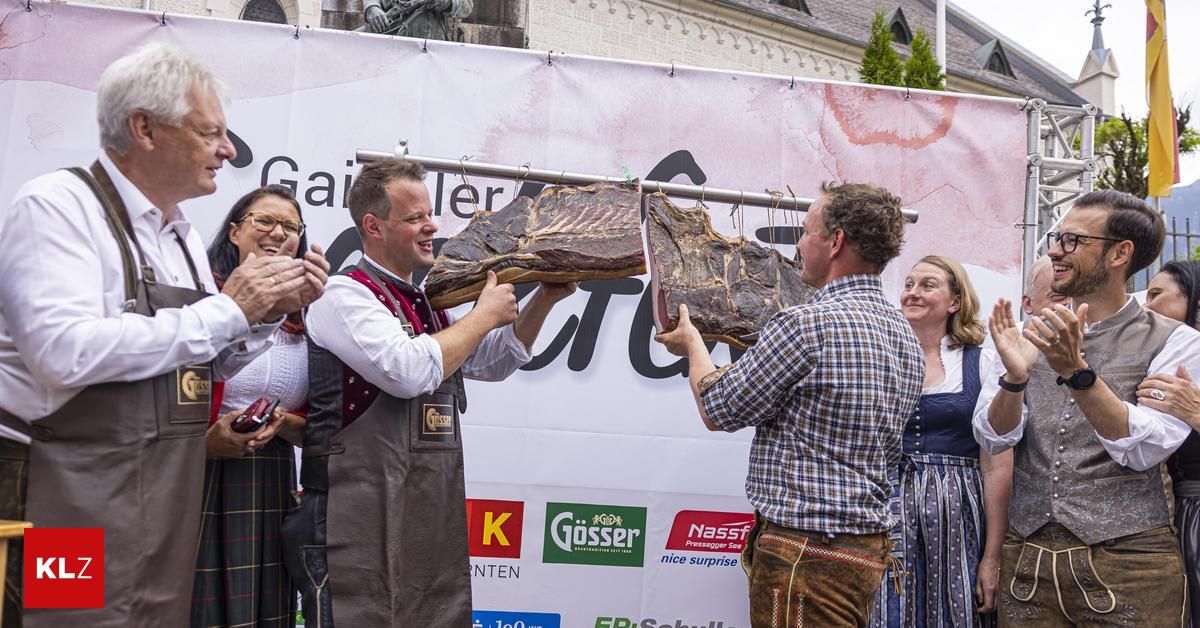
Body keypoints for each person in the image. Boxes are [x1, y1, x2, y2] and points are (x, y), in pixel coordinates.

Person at [0, 43, 328, 627]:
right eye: (210, 132)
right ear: (144, 128)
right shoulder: (58, 207)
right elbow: (61, 352)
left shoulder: (178, 236)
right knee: (66, 621)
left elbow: (204, 365)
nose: (228, 149)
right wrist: (230, 309)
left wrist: (268, 312)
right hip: (65, 492)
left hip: (157, 493)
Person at [282, 158, 575, 626]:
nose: (432, 226)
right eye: (415, 217)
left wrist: (544, 297)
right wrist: (482, 316)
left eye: (430, 214)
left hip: (425, 513)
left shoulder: (428, 305)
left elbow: (493, 361)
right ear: (373, 226)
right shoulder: (342, 295)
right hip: (352, 516)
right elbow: (408, 371)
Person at [656, 182, 924, 628]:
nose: (798, 245)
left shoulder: (806, 324)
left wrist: (692, 346)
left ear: (835, 241)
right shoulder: (904, 335)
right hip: (864, 549)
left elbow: (718, 408)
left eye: (805, 232)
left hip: (805, 550)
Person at [976, 190, 1200, 626]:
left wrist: (1077, 372)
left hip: (1130, 564)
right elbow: (993, 437)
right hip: (1028, 560)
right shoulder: (1020, 335)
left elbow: (1145, 449)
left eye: (1073, 240)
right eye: (1056, 237)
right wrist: (1015, 380)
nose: (1055, 250)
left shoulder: (1178, 341)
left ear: (1120, 254)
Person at [191, 185, 315, 628]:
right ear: (234, 233)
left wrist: (283, 423)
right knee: (196, 598)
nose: (278, 233)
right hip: (198, 469)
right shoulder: (203, 301)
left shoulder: (308, 314)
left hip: (272, 475)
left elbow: (323, 415)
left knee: (266, 605)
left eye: (290, 226)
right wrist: (204, 444)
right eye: (265, 221)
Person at [869, 255, 1012, 628]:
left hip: (958, 519)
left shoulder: (983, 363)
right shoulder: (880, 359)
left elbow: (997, 465)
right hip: (888, 513)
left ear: (955, 302)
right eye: (909, 284)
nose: (913, 293)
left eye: (927, 285)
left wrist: (992, 557)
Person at [1138, 260, 1200, 627]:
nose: (1146, 307)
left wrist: (1196, 414)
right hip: (1180, 515)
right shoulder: (1161, 360)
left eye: (1156, 295)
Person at [363, 0, 472, 40]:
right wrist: (371, 7)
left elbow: (467, 7)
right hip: (390, 38)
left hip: (432, 46)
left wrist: (446, 2)